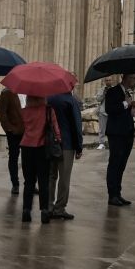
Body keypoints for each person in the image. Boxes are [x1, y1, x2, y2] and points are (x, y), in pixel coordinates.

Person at [18, 94, 61, 224]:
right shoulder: (48, 110)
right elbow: (55, 129)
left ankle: (26, 210)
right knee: (44, 181)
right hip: (42, 148)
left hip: (26, 147)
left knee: (29, 181)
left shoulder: (24, 111)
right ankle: (44, 211)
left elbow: (21, 128)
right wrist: (59, 140)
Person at [47, 91, 83, 220]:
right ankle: (59, 208)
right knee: (64, 177)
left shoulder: (48, 98)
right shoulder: (70, 100)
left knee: (51, 176)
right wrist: (79, 146)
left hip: (50, 142)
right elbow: (77, 125)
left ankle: (48, 206)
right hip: (66, 144)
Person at [103, 74, 135, 207]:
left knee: (122, 164)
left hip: (127, 133)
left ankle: (118, 193)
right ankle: (112, 195)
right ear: (126, 78)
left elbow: (126, 111)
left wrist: (133, 106)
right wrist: (126, 103)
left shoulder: (128, 92)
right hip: (116, 133)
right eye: (133, 78)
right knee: (115, 163)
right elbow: (109, 109)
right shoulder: (113, 91)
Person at [0, 85, 24, 195]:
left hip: (29, 131)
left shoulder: (31, 91)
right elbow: (2, 113)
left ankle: (31, 184)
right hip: (14, 131)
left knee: (29, 158)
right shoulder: (7, 92)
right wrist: (9, 128)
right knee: (13, 157)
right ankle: (15, 183)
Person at [94, 80, 109, 150]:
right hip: (103, 112)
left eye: (110, 80)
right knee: (102, 129)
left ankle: (111, 143)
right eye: (107, 80)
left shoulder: (114, 89)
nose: (108, 81)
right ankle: (101, 143)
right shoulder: (102, 89)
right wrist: (103, 94)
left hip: (112, 112)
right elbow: (98, 99)